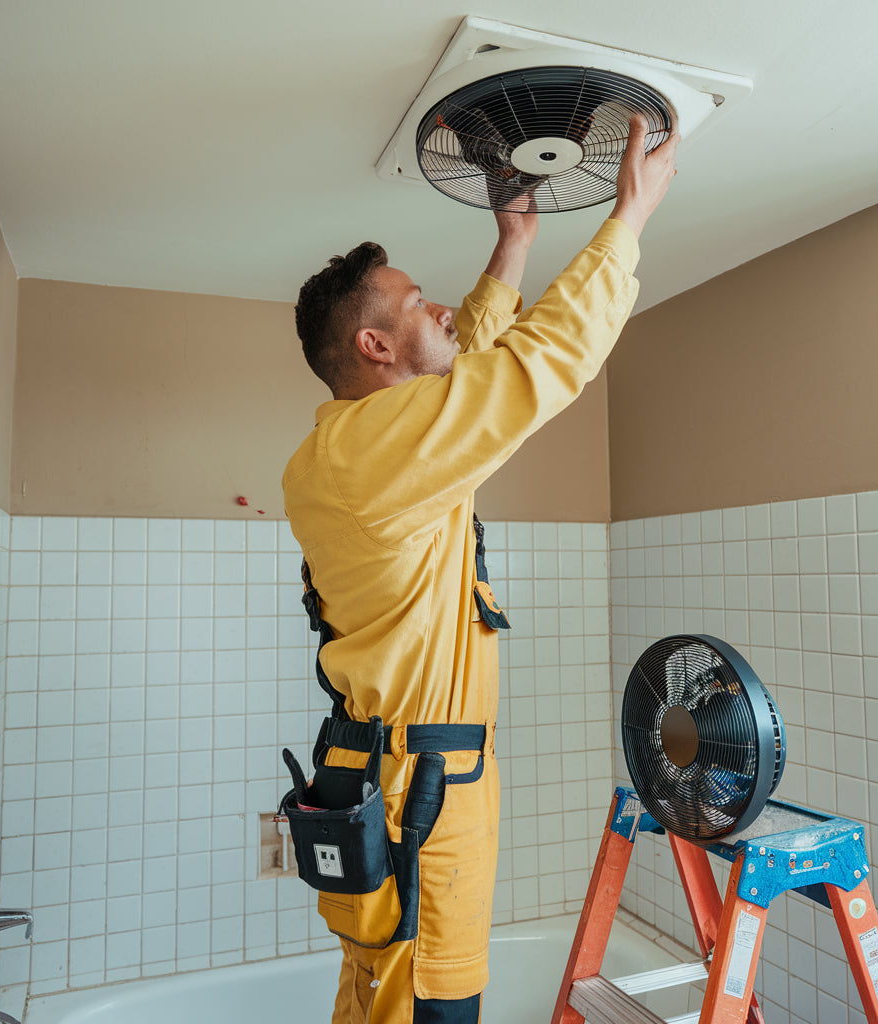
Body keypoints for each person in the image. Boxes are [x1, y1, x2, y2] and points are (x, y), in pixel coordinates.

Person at [282, 114, 679, 1024]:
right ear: (374, 349)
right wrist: (629, 217)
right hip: (417, 794)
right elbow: (532, 367)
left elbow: (471, 357)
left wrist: (515, 242)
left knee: (380, 992)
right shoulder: (376, 452)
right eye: (416, 301)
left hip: (389, 774)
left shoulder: (360, 448)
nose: (440, 309)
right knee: (427, 1006)